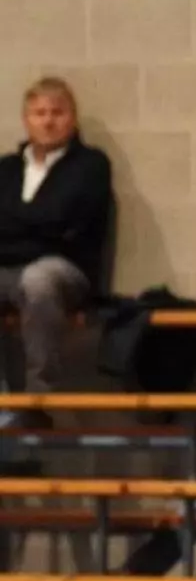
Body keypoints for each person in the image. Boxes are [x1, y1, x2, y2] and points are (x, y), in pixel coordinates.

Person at [0, 77, 113, 430]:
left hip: (65, 269)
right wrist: (37, 228)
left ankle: (39, 399)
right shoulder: (6, 169)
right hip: (7, 267)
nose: (48, 121)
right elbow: (47, 223)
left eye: (57, 112)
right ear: (26, 120)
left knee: (38, 279)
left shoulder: (91, 165)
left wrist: (18, 227)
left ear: (72, 118)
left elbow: (67, 227)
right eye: (39, 113)